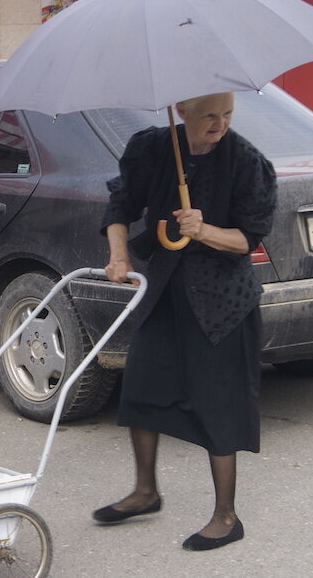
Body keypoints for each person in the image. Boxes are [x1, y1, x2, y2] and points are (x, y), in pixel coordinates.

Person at [94, 91, 277, 551]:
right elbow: (119, 207)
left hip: (223, 304)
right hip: (166, 293)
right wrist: (117, 256)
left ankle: (226, 516)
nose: (220, 125)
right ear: (182, 110)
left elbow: (248, 239)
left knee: (220, 404)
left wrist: (204, 229)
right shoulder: (153, 149)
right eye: (210, 116)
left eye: (228, 115)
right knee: (142, 388)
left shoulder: (246, 161)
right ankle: (145, 492)